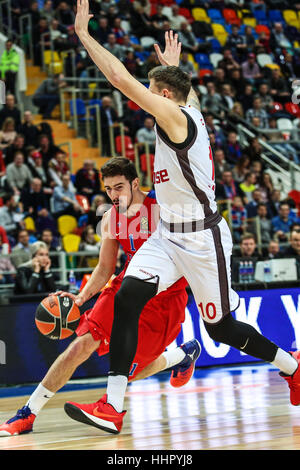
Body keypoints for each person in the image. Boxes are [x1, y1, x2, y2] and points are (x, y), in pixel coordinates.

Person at [64, 13, 300, 433]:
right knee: (126, 300)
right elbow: (179, 86)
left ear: (167, 96)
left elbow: (120, 78)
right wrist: (171, 63)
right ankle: (112, 407)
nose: (147, 99)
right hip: (167, 236)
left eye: (153, 92)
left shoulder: (177, 118)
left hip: (203, 240)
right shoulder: (184, 105)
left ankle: (290, 366)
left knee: (222, 327)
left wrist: (83, 35)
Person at [0, 157, 200, 436]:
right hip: (125, 285)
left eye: (119, 187)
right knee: (79, 346)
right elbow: (105, 267)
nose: (114, 195)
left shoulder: (162, 209)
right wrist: (81, 298)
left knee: (130, 371)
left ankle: (180, 355)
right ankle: (28, 413)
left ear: (134, 183)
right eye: (108, 189)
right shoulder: (110, 217)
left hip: (164, 296)